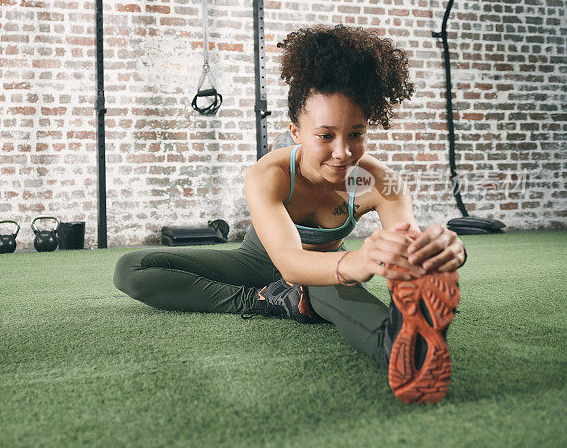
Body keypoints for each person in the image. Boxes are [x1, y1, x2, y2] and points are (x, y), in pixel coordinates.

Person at [113, 24, 466, 404]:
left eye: (357, 133)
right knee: (131, 269)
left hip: (321, 273)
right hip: (258, 265)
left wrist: (437, 250)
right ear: (296, 131)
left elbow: (407, 250)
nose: (344, 152)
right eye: (325, 136)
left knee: (327, 286)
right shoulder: (268, 174)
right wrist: (357, 261)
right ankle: (266, 300)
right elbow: (289, 262)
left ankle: (406, 353)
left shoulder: (384, 182)